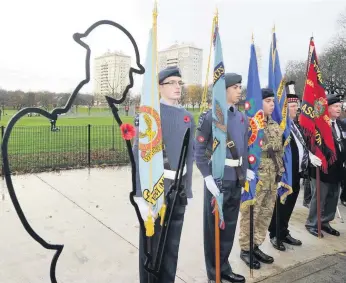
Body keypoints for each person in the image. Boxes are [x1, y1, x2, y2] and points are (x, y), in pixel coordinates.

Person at [132, 66, 195, 283]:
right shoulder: (150, 115)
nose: (178, 87)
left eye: (180, 83)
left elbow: (190, 156)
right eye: (172, 83)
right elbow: (139, 156)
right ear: (159, 87)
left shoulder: (188, 117)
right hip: (156, 189)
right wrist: (140, 195)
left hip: (177, 192)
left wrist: (188, 189)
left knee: (171, 247)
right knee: (152, 249)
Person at [195, 73, 251, 283]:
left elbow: (244, 149)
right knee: (213, 229)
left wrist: (244, 175)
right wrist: (207, 176)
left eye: (239, 87)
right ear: (225, 90)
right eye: (235, 87)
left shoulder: (242, 117)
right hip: (218, 180)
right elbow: (199, 149)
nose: (239, 91)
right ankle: (213, 273)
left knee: (229, 227)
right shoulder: (211, 116)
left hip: (235, 179)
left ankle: (224, 267)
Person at [268, 81, 321, 251]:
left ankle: (284, 231)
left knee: (290, 205)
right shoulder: (281, 126)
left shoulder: (295, 125)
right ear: (284, 108)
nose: (296, 108)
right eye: (292, 105)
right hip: (285, 173)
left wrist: (309, 155)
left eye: (297, 104)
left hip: (297, 172)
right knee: (281, 204)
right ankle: (275, 234)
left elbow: (301, 145)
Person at [239, 88, 284, 270]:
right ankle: (245, 249)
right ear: (259, 103)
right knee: (251, 213)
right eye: (268, 101)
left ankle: (256, 245)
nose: (272, 104)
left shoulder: (275, 124)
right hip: (256, 176)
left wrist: (280, 172)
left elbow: (279, 150)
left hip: (272, 176)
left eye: (273, 101)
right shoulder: (250, 124)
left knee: (265, 213)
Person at [305, 94, 346, 237]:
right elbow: (311, 144)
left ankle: (325, 221)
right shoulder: (319, 125)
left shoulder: (341, 124)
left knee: (333, 197)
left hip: (338, 169)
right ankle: (312, 223)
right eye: (335, 106)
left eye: (340, 106)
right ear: (327, 108)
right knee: (319, 198)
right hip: (322, 168)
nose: (338, 109)